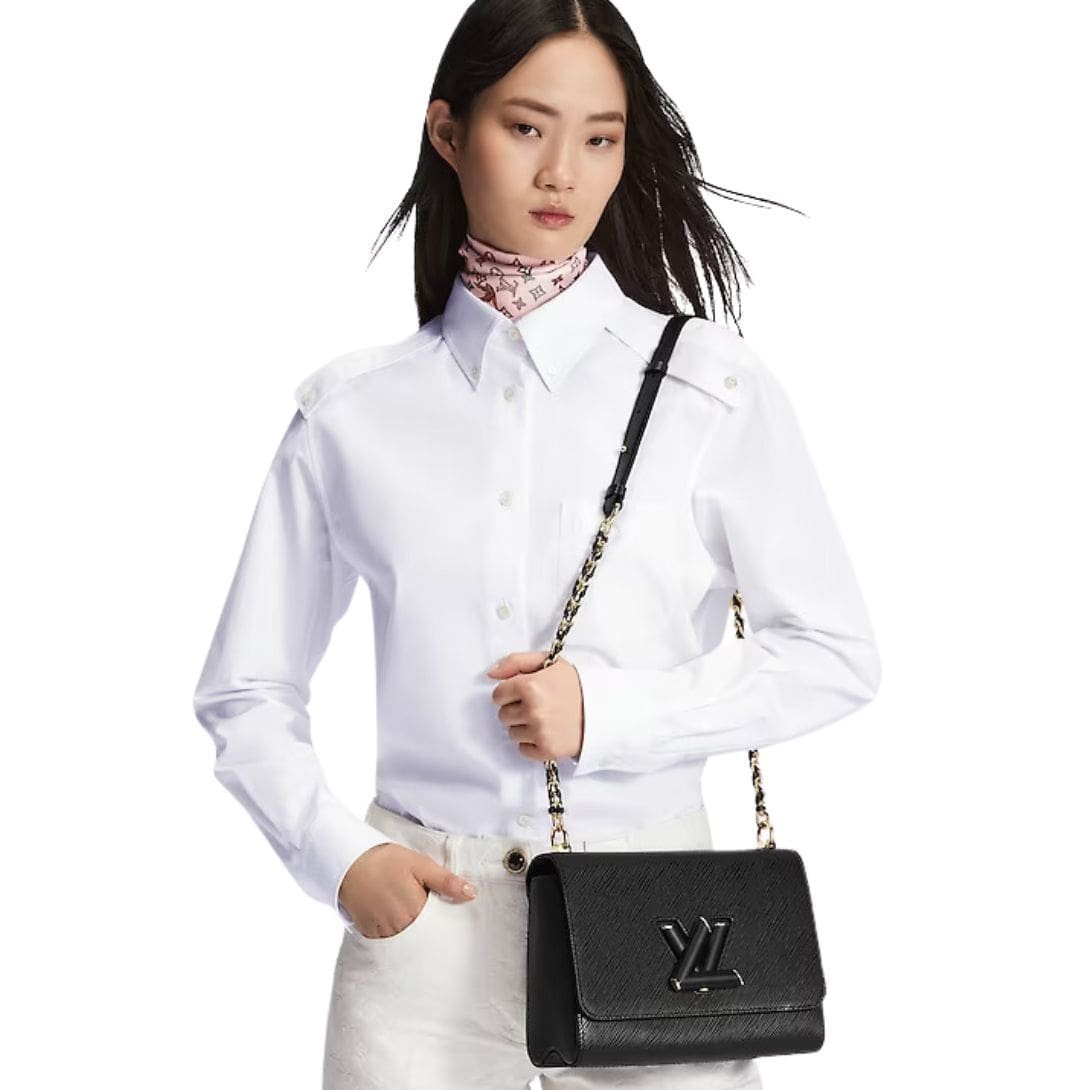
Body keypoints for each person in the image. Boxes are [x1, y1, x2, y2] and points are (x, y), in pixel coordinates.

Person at [191, 2, 881, 1087]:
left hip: (659, 922)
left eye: (600, 138)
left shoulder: (709, 391)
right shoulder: (351, 416)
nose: (563, 172)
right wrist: (338, 854)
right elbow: (246, 689)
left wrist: (608, 713)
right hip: (423, 934)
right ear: (447, 131)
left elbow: (833, 655)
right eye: (525, 127)